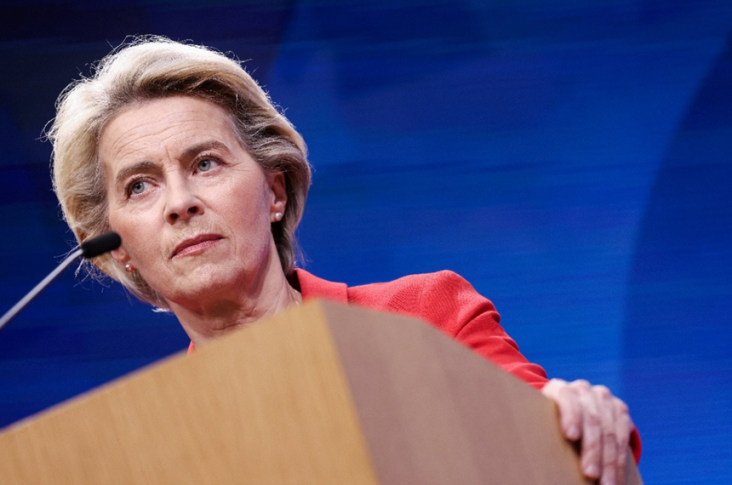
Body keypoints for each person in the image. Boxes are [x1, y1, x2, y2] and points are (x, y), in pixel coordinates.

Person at [49, 36, 639, 484]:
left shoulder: (426, 315)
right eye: (140, 186)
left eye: (205, 163)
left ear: (275, 192)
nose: (180, 203)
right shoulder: (144, 448)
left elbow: (562, 454)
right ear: (116, 249)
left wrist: (576, 422)